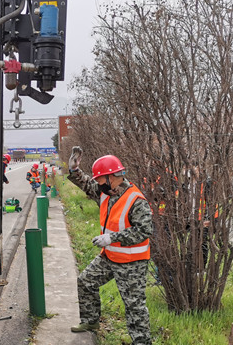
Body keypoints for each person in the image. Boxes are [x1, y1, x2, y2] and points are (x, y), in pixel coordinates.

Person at [67, 146, 153, 345]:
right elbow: (87, 184)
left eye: (100, 179)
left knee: (134, 306)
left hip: (132, 262)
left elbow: (144, 230)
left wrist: (112, 237)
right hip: (110, 256)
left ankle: (142, 342)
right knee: (85, 282)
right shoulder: (106, 192)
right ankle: (90, 321)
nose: (97, 183)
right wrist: (74, 170)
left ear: (111, 177)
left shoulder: (136, 200)